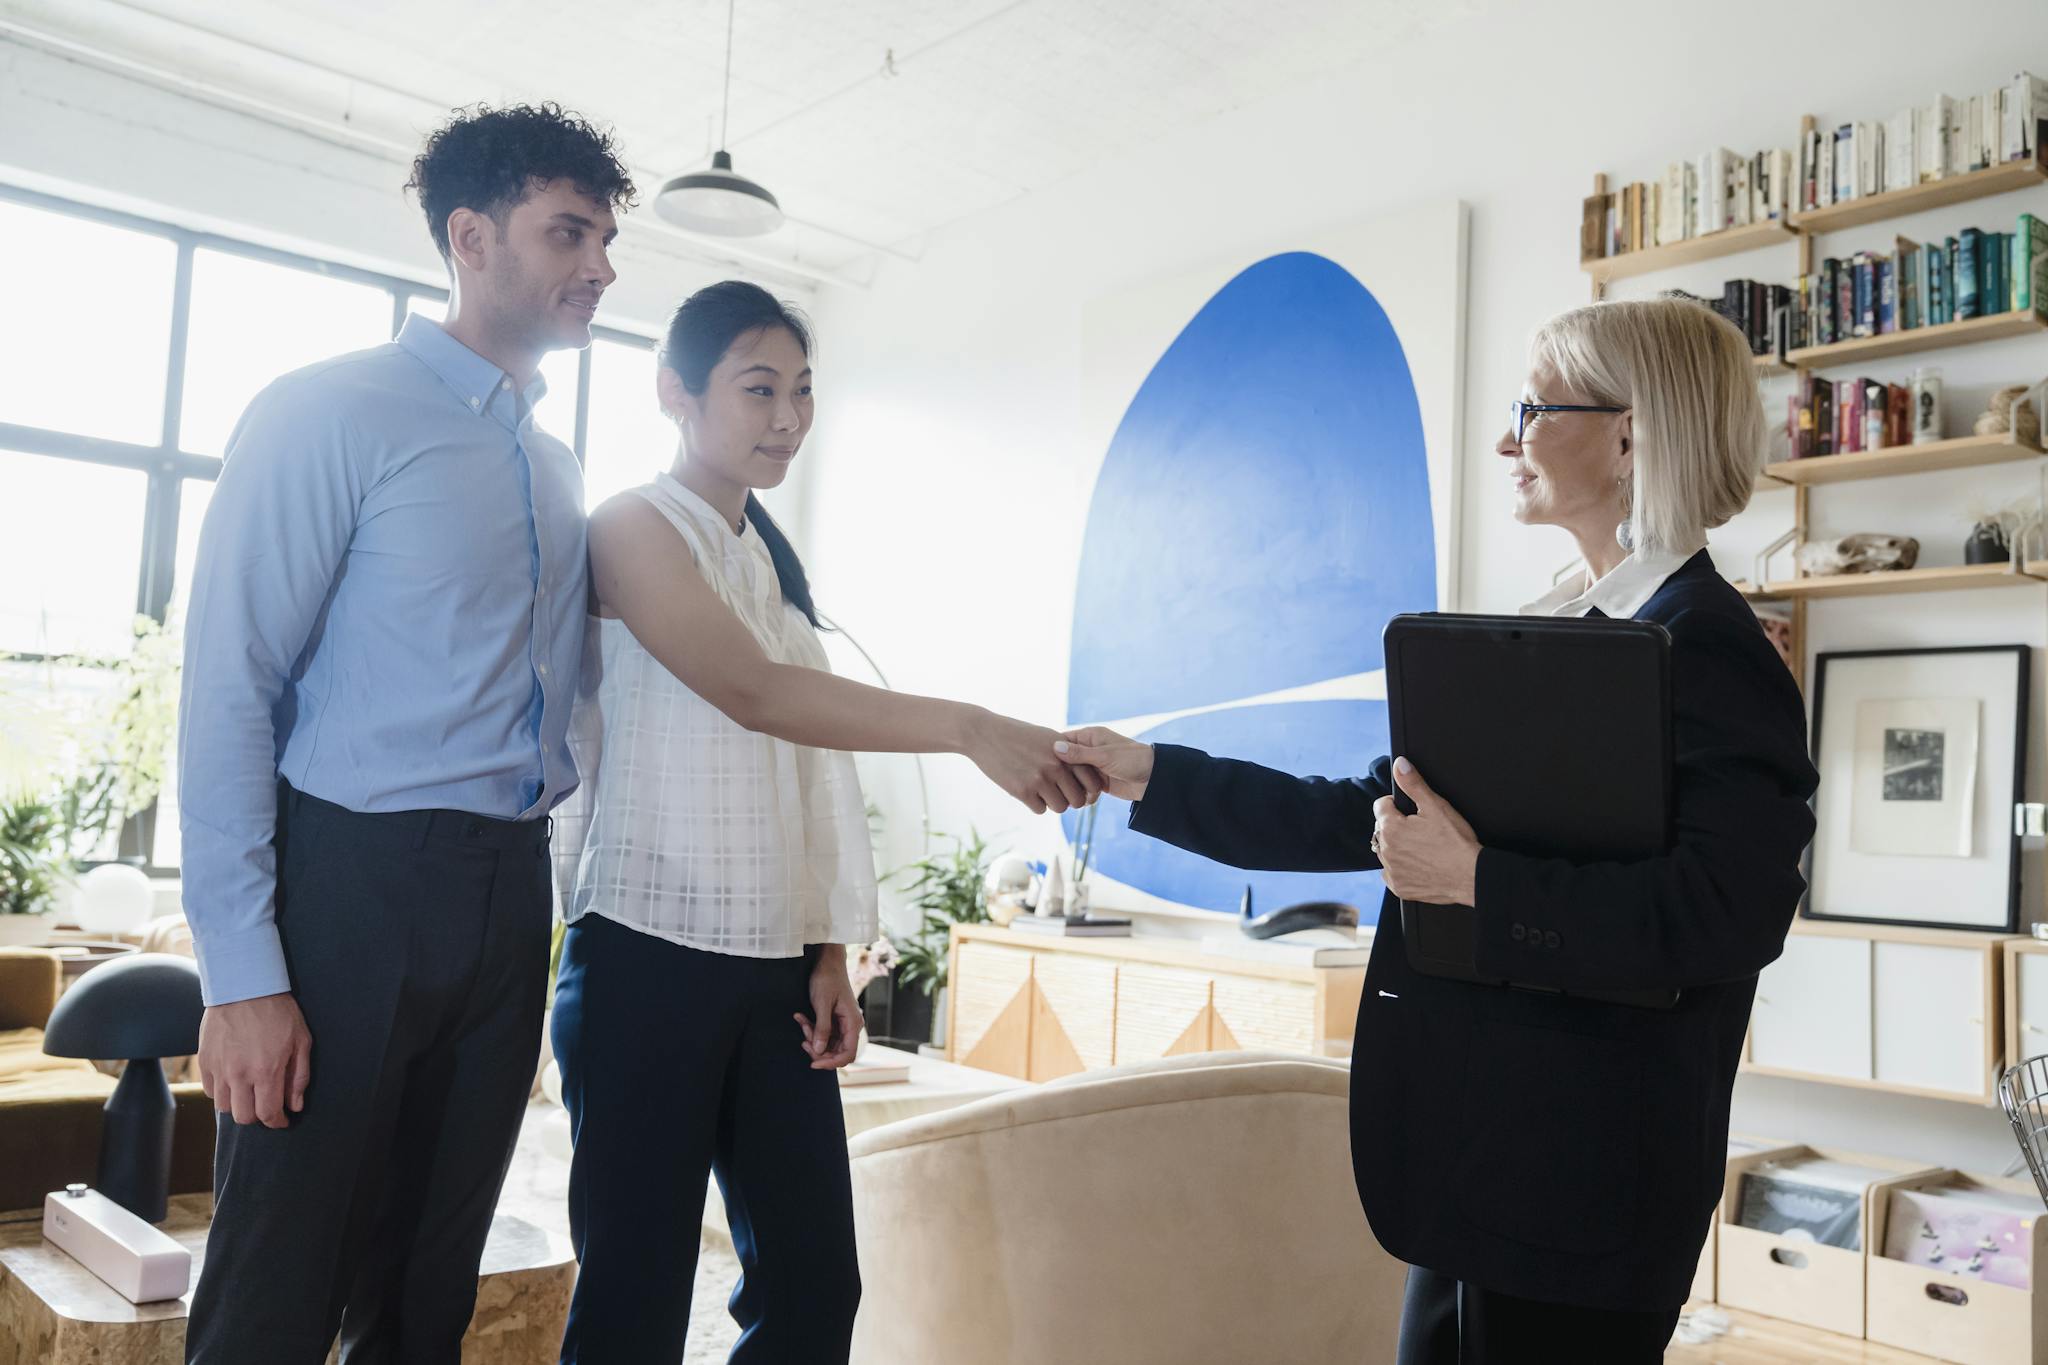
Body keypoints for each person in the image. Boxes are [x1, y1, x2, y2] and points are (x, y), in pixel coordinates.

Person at [1055, 297, 1818, 1364]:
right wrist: (1146, 774)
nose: (1508, 440)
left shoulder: (1707, 645)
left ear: (1627, 435)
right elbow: (1362, 809)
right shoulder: (1560, 631)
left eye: (1533, 410)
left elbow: (1726, 914)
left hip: (1583, 1184)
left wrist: (1477, 882)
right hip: (1482, 1158)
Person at [549, 279, 1098, 1363]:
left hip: (770, 972)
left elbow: (799, 769)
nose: (789, 417)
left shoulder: (765, 560)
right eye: (759, 389)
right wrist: (968, 725)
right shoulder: (630, 526)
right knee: (634, 1300)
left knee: (812, 1285)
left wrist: (827, 953)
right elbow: (752, 693)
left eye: (802, 390)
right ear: (674, 392)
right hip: (643, 959)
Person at [176, 103, 633, 1364]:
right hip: (351, 883)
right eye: (569, 233)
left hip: (509, 893)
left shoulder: (555, 468)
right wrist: (243, 978)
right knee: (278, 1282)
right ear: (471, 238)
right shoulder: (328, 412)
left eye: (606, 239)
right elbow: (229, 687)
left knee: (430, 1284)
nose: (600, 266)